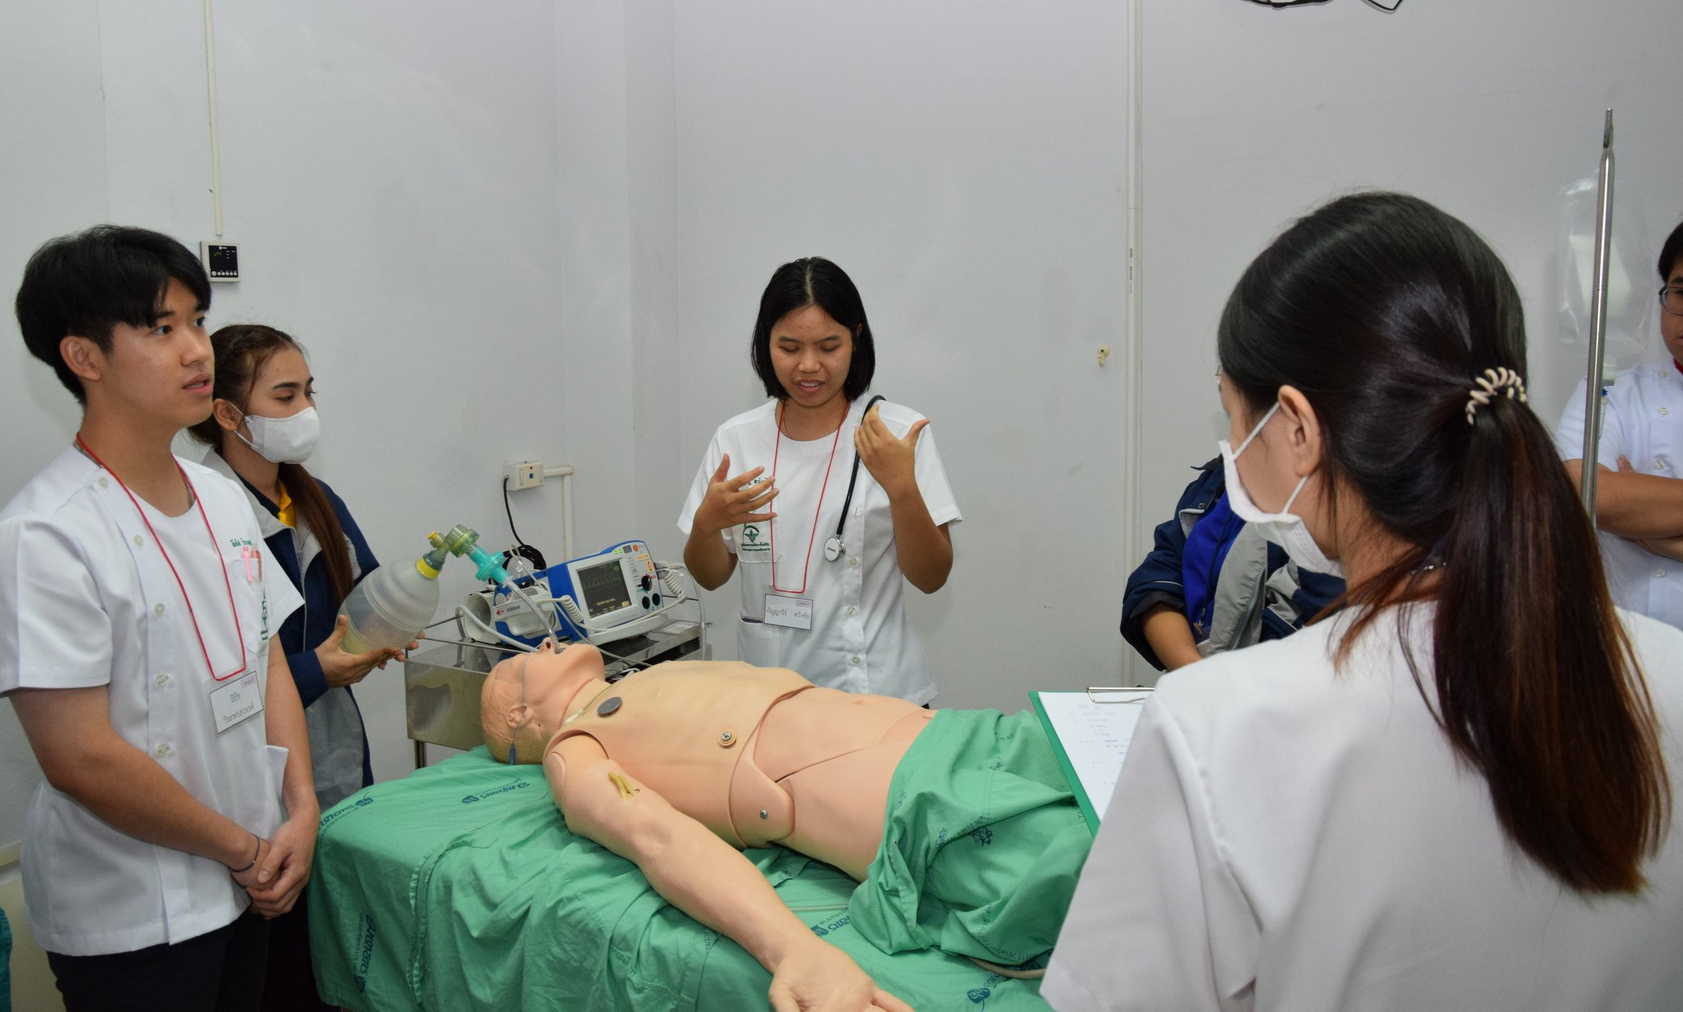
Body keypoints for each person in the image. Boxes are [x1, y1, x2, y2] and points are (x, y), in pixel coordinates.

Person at [1043, 193, 1683, 1011]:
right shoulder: (1663, 674)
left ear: (1298, 428)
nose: (1231, 452)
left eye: (1237, 419)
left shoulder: (1223, 726)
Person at [0, 227, 320, 1012]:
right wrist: (244, 848)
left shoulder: (222, 495)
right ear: (83, 357)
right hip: (134, 912)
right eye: (162, 328)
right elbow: (81, 758)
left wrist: (301, 806)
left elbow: (264, 658)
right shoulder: (40, 538)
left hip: (253, 874)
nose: (197, 350)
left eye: (197, 321)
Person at [479, 642, 1091, 1012]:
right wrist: (797, 950)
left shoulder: (643, 679)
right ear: (519, 715)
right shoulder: (576, 749)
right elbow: (658, 838)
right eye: (523, 659)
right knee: (1115, 870)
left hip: (977, 734)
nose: (545, 642)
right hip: (936, 811)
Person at [186, 325, 391, 1012]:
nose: (306, 410)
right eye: (285, 395)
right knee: (277, 972)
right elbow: (213, 677)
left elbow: (366, 598)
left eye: (308, 391)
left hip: (334, 752)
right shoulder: (204, 518)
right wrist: (316, 672)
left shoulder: (315, 499)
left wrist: (385, 630)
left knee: (335, 957)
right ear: (227, 414)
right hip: (248, 779)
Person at [680, 257, 959, 705]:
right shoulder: (736, 439)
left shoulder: (896, 434)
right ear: (765, 343)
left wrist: (902, 489)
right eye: (789, 348)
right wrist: (706, 523)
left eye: (829, 346)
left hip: (878, 695)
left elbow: (932, 578)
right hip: (769, 698)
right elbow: (709, 577)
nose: (808, 366)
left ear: (856, 339)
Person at [1556, 216, 1683, 629]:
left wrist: (1651, 527)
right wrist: (1618, 502)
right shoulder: (1608, 389)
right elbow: (1592, 494)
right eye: (1681, 293)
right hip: (1622, 644)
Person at [1121, 455, 1344, 670]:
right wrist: (1192, 670)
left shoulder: (1330, 496)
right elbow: (1157, 578)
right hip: (1206, 678)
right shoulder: (1217, 478)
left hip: (1272, 684)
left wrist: (1216, 683)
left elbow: (1310, 620)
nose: (1233, 441)